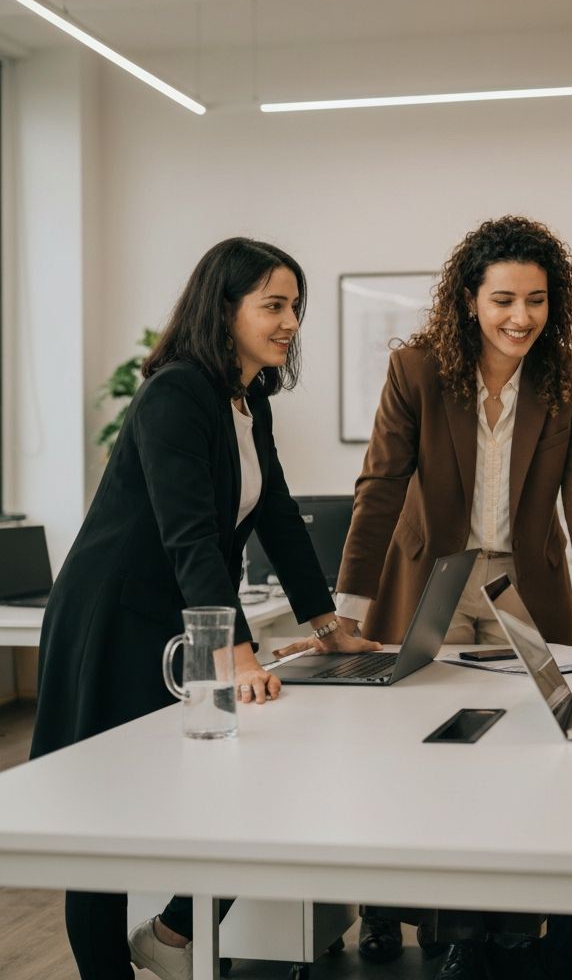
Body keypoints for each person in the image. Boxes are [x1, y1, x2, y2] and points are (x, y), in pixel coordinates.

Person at [274, 214, 572, 980]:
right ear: (469, 299)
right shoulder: (419, 370)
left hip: (523, 582)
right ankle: (423, 922)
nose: (521, 317)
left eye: (537, 300)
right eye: (504, 298)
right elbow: (378, 489)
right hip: (433, 579)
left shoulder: (570, 377)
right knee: (428, 752)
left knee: (527, 752)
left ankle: (509, 919)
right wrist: (341, 611)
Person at [30, 238, 379, 980]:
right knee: (104, 818)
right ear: (225, 310)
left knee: (233, 789)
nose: (290, 322)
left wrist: (326, 621)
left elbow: (278, 515)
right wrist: (235, 655)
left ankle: (175, 932)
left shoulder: (247, 400)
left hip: (184, 616)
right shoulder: (175, 393)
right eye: (274, 305)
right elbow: (190, 534)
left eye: (295, 307)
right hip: (116, 618)